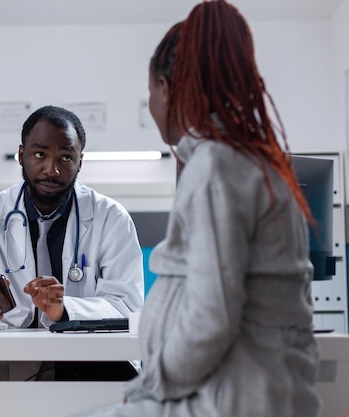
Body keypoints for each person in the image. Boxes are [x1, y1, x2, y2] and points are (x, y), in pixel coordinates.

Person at [73, 1, 321, 416]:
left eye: (150, 91)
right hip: (242, 392)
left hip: (229, 400)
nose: (151, 105)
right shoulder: (253, 159)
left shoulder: (215, 165)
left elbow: (212, 318)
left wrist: (150, 385)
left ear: (166, 89)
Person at [0, 105, 144, 381]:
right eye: (40, 155)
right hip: (9, 356)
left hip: (90, 356)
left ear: (80, 162)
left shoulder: (111, 218)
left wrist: (65, 309)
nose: (52, 170)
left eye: (65, 157)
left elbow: (128, 308)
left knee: (127, 394)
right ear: (21, 154)